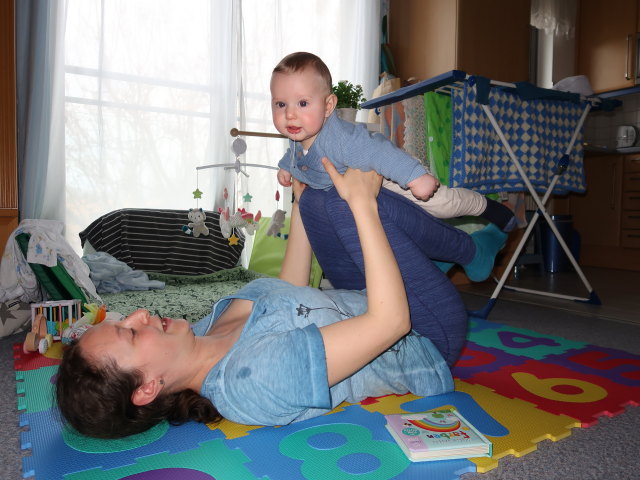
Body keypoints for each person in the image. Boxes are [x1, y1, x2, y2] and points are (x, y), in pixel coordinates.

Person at [55, 161, 481, 439]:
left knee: (317, 199)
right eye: (130, 333)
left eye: (126, 319)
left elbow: (290, 291)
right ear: (147, 389)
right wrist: (364, 205)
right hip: (422, 334)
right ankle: (472, 251)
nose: (141, 314)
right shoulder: (251, 379)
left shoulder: (204, 330)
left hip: (365, 295)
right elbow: (391, 325)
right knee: (347, 203)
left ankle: (449, 253)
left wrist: (298, 196)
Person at [270, 52, 516, 279]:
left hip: (390, 174)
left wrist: (414, 176)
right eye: (281, 104)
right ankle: (438, 259)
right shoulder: (299, 135)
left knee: (441, 205)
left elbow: (380, 152)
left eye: (302, 103)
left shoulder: (341, 139)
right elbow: (296, 154)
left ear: (328, 106)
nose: (290, 114)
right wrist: (286, 168)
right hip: (360, 193)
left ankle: (488, 207)